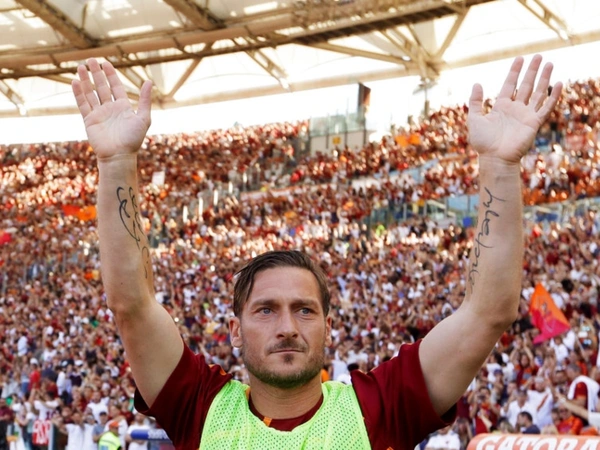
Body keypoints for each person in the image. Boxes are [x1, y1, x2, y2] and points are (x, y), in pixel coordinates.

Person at [71, 54, 561, 450]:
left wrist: (500, 166)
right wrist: (115, 163)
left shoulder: (380, 409)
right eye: (266, 309)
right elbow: (132, 305)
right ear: (235, 329)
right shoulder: (198, 406)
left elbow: (488, 312)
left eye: (304, 310)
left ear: (328, 325)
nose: (287, 327)